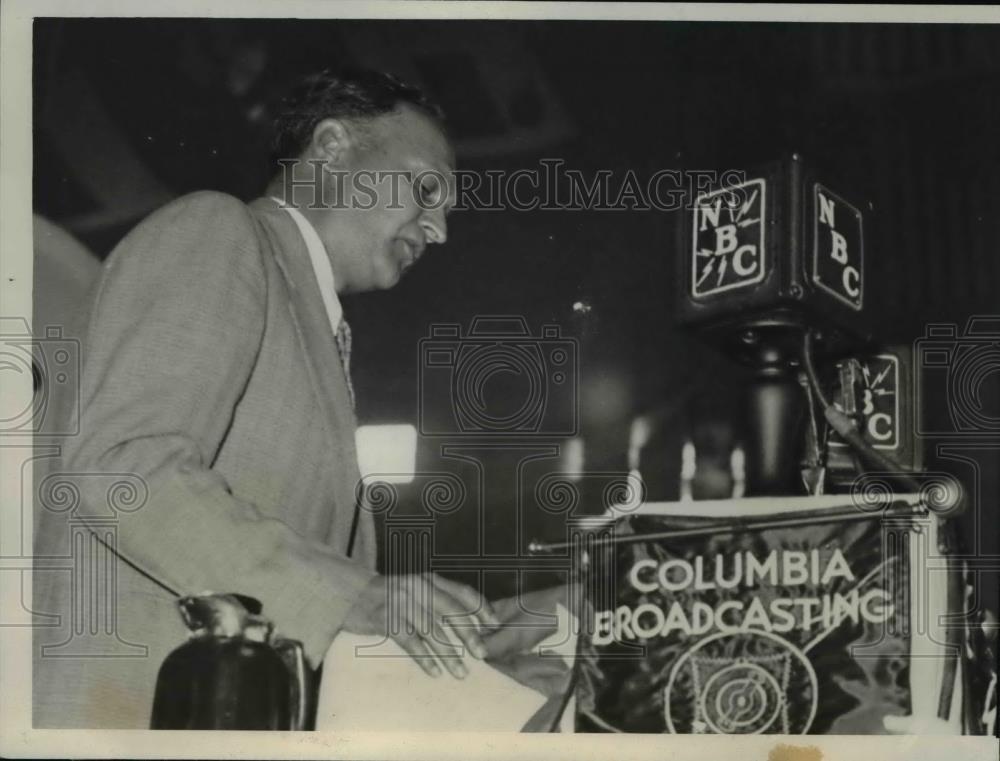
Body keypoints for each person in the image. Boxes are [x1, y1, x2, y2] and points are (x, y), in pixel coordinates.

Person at [32, 69, 500, 729]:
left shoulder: (310, 320)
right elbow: (122, 468)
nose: (442, 228)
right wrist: (355, 597)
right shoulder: (218, 231)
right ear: (333, 148)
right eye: (428, 187)